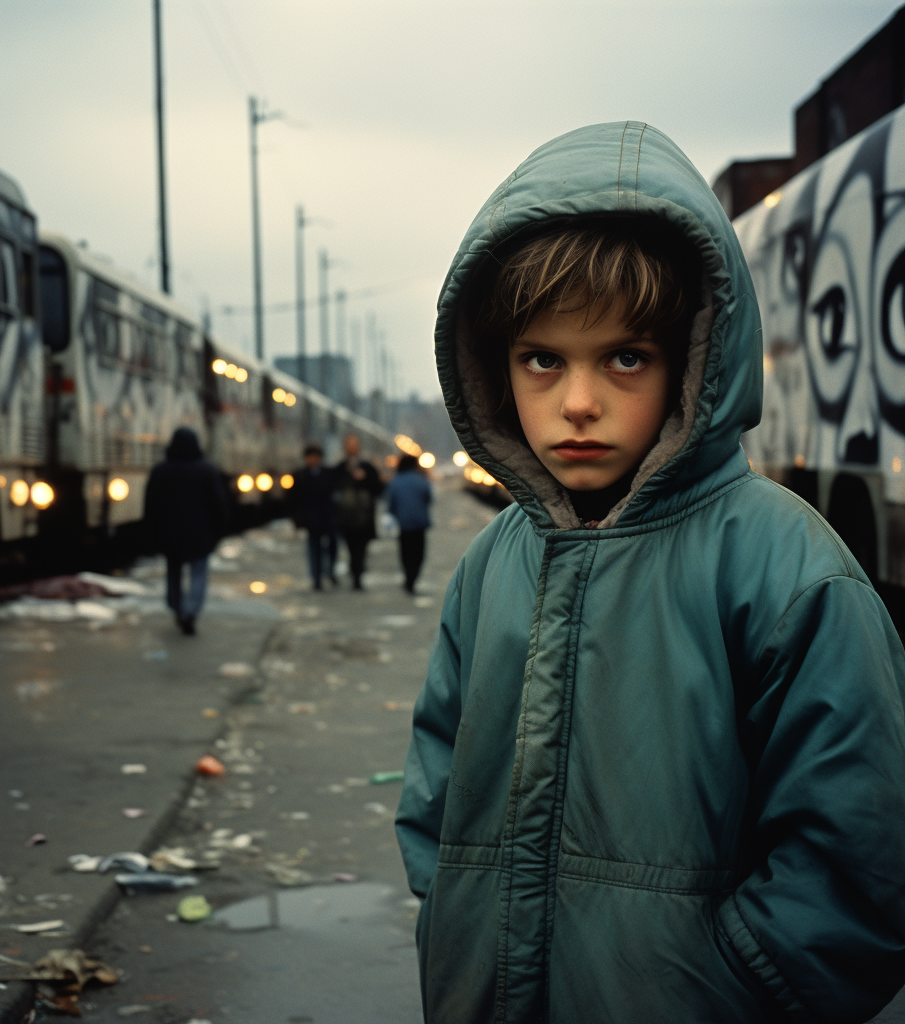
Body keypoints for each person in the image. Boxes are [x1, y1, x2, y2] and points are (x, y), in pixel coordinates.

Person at [394, 121, 905, 1023]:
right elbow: (437, 783)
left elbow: (858, 859)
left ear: (693, 363)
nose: (579, 402)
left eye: (624, 357)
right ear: (496, 365)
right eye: (542, 360)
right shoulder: (491, 563)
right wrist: (455, 920)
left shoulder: (783, 565)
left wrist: (732, 983)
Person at [144, 427, 229, 635]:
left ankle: (177, 608)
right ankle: (191, 611)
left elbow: (151, 506)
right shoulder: (206, 470)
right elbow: (217, 503)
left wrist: (151, 533)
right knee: (199, 573)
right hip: (199, 533)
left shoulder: (160, 470)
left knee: (174, 573)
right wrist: (219, 530)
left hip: (170, 533)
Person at [332, 433, 384, 590]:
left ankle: (357, 576)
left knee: (360, 548)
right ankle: (355, 573)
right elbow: (332, 488)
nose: (351, 448)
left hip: (364, 518)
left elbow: (378, 489)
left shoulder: (368, 468)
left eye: (354, 444)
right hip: (345, 518)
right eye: (349, 444)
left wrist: (365, 478)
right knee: (351, 547)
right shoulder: (340, 468)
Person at [290, 442, 338, 591]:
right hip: (311, 519)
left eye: (315, 457)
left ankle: (329, 570)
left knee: (331, 546)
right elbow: (294, 499)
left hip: (327, 518)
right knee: (314, 548)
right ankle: (317, 578)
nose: (313, 460)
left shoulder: (327, 474)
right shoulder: (300, 475)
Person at [385, 453, 432, 594]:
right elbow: (428, 498)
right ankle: (413, 578)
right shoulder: (421, 480)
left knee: (405, 553)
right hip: (420, 524)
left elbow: (391, 503)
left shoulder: (396, 481)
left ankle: (408, 578)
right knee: (418, 553)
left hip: (404, 524)